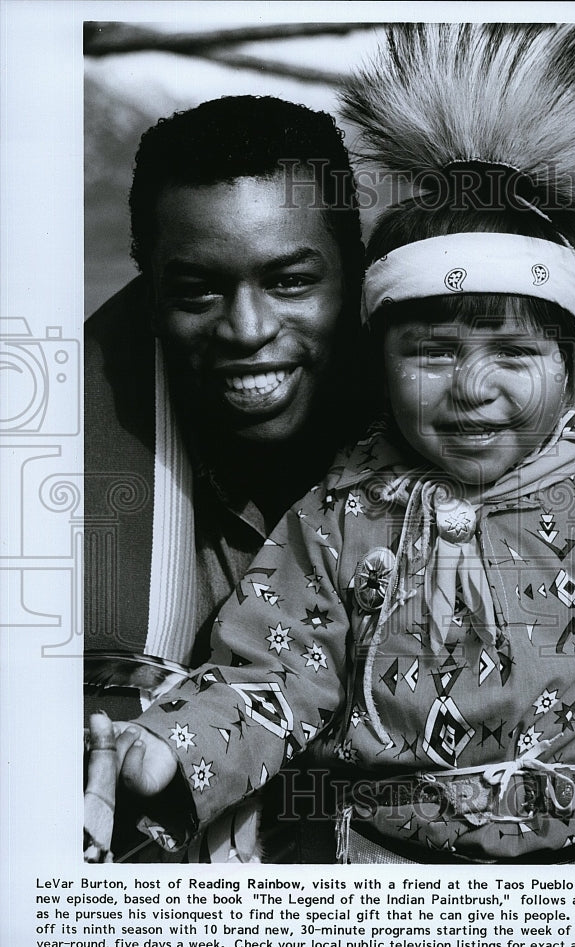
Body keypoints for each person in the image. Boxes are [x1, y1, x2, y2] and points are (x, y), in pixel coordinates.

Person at [107, 24, 575, 865]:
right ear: (377, 365)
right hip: (382, 870)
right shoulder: (336, 522)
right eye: (430, 354)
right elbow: (274, 671)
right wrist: (178, 750)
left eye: (514, 353)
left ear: (573, 375)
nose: (471, 388)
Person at [83, 95, 370, 863]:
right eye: (197, 292)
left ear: (354, 277)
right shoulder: (56, 481)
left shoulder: (469, 463)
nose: (246, 330)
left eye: (289, 282)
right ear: (149, 294)